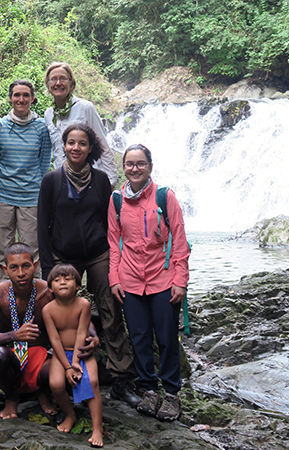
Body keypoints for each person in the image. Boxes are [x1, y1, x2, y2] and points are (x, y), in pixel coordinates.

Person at [37, 123, 140, 407]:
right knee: (61, 314)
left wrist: (116, 262)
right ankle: (61, 375)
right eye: (71, 143)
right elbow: (42, 228)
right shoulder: (52, 181)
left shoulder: (101, 180)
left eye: (82, 143)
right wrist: (49, 271)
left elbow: (111, 223)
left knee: (110, 308)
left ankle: (121, 377)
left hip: (98, 253)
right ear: (64, 146)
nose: (76, 148)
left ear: (90, 148)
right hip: (62, 256)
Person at [108, 144, 190, 422]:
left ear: (150, 167)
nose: (135, 168)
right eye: (129, 164)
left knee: (166, 338)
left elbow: (179, 240)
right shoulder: (117, 200)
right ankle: (147, 388)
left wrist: (180, 280)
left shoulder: (165, 197)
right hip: (130, 281)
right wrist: (114, 278)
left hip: (163, 279)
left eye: (140, 163)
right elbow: (114, 242)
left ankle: (170, 393)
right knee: (139, 338)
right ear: (123, 168)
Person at [0, 242, 100, 420]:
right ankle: (11, 398)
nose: (21, 273)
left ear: (35, 266)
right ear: (5, 269)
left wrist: (94, 335)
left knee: (71, 377)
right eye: (14, 267)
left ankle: (44, 391)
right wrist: (14, 335)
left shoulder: (48, 291)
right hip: (12, 358)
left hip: (43, 358)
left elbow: (77, 311)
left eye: (26, 266)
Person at [0, 80, 52, 282]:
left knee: (32, 249)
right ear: (10, 98)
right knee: (2, 248)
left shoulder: (42, 127)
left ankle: (34, 294)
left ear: (33, 99)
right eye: (17, 95)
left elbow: (44, 160)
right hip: (2, 194)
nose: (21, 99)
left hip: (32, 195)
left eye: (26, 95)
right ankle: (2, 293)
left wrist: (34, 184)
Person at [43, 264, 103, 448]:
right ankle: (70, 413)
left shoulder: (83, 304)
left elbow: (81, 333)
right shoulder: (48, 310)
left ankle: (97, 428)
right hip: (60, 353)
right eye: (57, 280)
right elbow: (54, 339)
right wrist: (67, 366)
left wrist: (76, 362)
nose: (62, 282)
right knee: (56, 384)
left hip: (81, 351)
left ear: (77, 285)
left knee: (92, 381)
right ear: (50, 287)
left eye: (67, 279)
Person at [43, 61, 118, 186]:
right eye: (53, 79)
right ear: (48, 84)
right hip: (62, 180)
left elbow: (103, 145)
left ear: (71, 83)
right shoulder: (49, 114)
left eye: (63, 79)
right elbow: (56, 151)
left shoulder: (85, 108)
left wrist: (111, 181)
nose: (58, 83)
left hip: (89, 179)